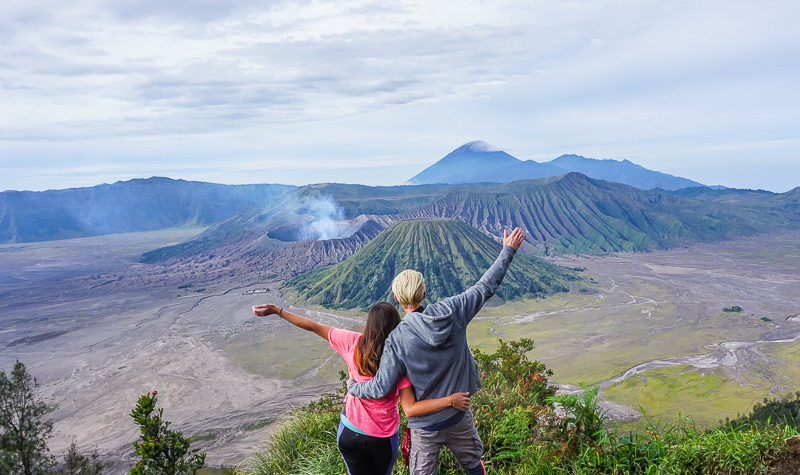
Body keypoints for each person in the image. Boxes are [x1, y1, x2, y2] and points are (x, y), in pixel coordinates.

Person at [347, 227, 525, 475]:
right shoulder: (453, 311)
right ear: (424, 293)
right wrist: (508, 250)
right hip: (459, 414)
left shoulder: (397, 340)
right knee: (474, 466)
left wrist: (354, 386)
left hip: (425, 427)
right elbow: (485, 286)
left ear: (397, 299)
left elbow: (381, 387)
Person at [252, 301, 470, 475]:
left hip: (349, 432)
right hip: (382, 438)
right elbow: (410, 407)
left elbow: (313, 326)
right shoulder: (400, 357)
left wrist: (278, 311)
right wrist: (450, 400)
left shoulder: (352, 342)